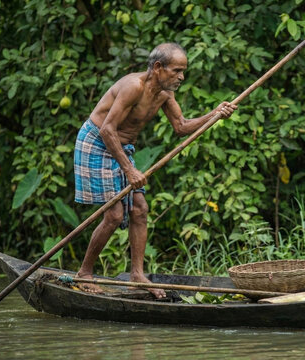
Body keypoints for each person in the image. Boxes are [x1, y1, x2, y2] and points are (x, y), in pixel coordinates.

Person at [73, 43, 237, 298]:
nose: (181, 77)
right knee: (115, 215)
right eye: (177, 70)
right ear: (158, 67)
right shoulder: (133, 87)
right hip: (97, 143)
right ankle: (84, 272)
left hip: (121, 146)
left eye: (183, 71)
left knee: (140, 209)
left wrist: (215, 114)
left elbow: (181, 126)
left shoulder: (164, 94)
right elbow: (107, 130)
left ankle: (137, 274)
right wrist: (129, 170)